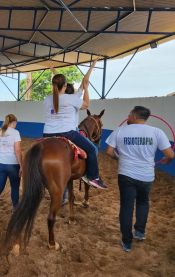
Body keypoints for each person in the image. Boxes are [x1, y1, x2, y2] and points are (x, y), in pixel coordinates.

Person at [106, 106, 174, 252]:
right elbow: (170, 155)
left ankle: (127, 241)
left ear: (134, 117)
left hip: (126, 174)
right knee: (143, 202)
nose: (128, 116)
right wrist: (165, 161)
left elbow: (109, 151)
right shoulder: (157, 132)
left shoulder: (120, 131)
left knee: (126, 206)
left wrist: (119, 158)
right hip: (146, 175)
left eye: (130, 114)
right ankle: (139, 232)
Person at [43, 59, 107, 190]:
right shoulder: (73, 98)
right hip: (67, 133)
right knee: (92, 149)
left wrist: (54, 71)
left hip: (47, 134)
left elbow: (62, 85)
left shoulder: (48, 99)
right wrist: (87, 88)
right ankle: (93, 177)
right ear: (65, 85)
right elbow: (86, 102)